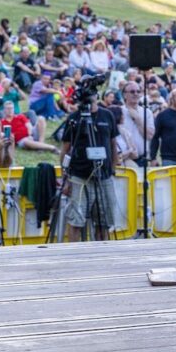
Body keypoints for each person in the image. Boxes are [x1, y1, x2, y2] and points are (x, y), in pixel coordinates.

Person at [59, 92, 121, 241]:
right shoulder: (74, 118)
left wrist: (111, 169)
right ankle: (74, 259)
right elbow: (65, 150)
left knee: (103, 223)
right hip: (79, 177)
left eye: (92, 92)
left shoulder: (107, 115)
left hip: (104, 177)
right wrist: (65, 179)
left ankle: (101, 257)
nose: (90, 95)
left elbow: (113, 145)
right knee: (76, 222)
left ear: (97, 95)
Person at [117, 82, 155, 168]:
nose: (136, 94)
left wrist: (138, 119)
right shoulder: (118, 111)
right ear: (124, 94)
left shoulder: (147, 112)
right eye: (132, 91)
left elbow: (149, 136)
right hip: (124, 160)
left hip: (142, 159)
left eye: (138, 91)